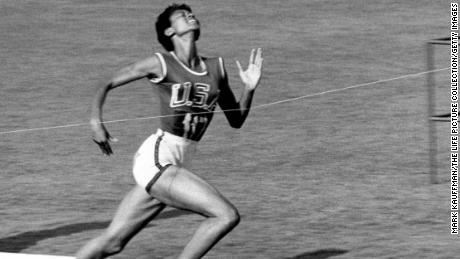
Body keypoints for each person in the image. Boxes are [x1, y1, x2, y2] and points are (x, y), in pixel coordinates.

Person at [75, 3, 263, 259]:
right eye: (182, 16)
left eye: (191, 13)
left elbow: (236, 119)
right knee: (225, 215)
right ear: (168, 32)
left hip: (179, 163)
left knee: (112, 243)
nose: (191, 16)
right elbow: (105, 82)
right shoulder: (161, 62)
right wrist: (96, 121)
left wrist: (249, 89)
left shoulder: (216, 68)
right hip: (157, 159)